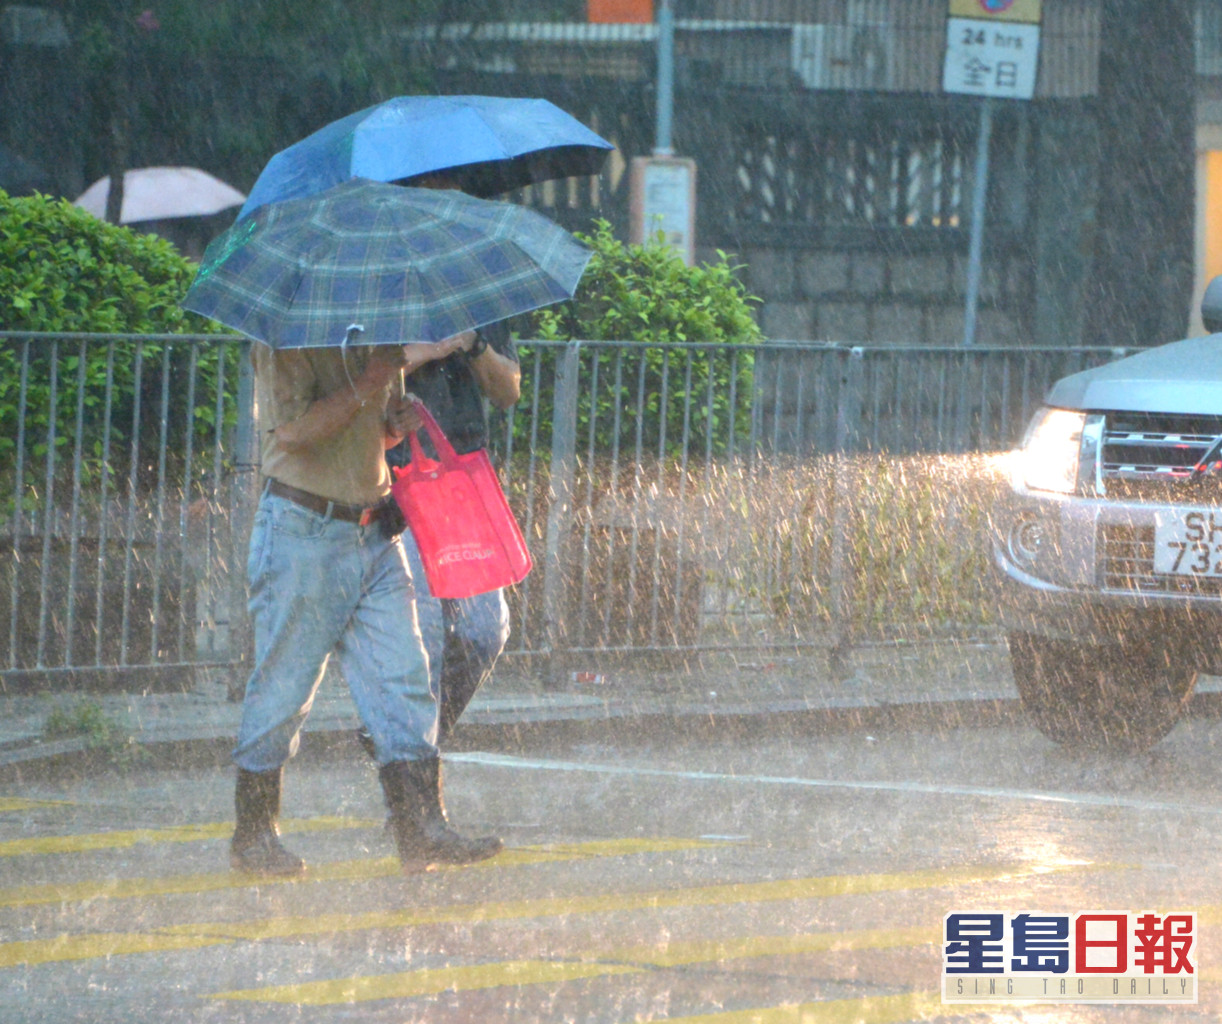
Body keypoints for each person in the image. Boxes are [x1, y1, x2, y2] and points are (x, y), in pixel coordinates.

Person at [229, 334, 503, 878]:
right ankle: (254, 833)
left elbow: (364, 431)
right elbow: (295, 433)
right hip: (305, 530)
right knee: (285, 689)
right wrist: (373, 380)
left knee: (404, 677)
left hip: (375, 530)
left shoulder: (373, 338)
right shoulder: (289, 341)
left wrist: (394, 425)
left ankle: (420, 827)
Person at [356, 316, 521, 761]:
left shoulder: (477, 299)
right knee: (423, 631)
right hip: (397, 481)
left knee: (484, 628)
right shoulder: (379, 296)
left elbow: (507, 392)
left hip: (462, 481)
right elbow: (360, 379)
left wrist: (472, 343)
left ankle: (412, 739)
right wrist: (427, 349)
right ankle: (411, 768)